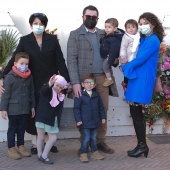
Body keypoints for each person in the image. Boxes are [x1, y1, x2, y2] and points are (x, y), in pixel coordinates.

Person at [0, 12, 70, 154]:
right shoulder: (25, 40)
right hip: (33, 82)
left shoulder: (52, 40)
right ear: (31, 25)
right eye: (36, 23)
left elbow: (60, 60)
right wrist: (2, 75)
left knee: (50, 111)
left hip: (51, 83)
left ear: (45, 25)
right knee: (35, 113)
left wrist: (67, 81)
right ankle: (34, 143)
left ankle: (47, 141)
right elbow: (15, 58)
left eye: (41, 24)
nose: (38, 26)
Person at [67, 5, 114, 154]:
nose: (91, 19)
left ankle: (100, 141)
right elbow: (71, 60)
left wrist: (116, 60)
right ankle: (85, 142)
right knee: (84, 110)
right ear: (83, 17)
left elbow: (113, 52)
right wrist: (75, 83)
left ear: (97, 19)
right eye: (88, 17)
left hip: (102, 78)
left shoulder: (103, 34)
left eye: (94, 17)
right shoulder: (75, 35)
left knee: (103, 109)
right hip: (83, 80)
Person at [121, 12, 165, 158]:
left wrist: (125, 68)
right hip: (137, 78)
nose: (141, 26)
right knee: (135, 112)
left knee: (136, 112)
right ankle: (142, 145)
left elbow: (139, 59)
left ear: (152, 24)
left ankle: (142, 146)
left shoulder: (153, 40)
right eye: (140, 23)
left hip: (142, 79)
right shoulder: (145, 39)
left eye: (144, 23)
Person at [0, 52, 35, 160]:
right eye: (22, 63)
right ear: (15, 64)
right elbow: (5, 95)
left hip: (25, 108)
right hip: (13, 109)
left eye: (26, 64)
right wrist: (3, 109)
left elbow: (32, 92)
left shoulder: (29, 76)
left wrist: (32, 106)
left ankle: (21, 146)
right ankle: (11, 148)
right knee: (12, 129)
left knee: (21, 129)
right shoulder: (10, 77)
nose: (24, 66)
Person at [35, 74, 67, 164]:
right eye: (56, 85)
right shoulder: (48, 90)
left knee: (48, 137)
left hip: (48, 119)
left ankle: (42, 155)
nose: (57, 88)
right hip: (43, 118)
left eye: (60, 87)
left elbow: (59, 111)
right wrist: (50, 83)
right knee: (44, 137)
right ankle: (41, 155)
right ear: (53, 83)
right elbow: (43, 91)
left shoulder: (60, 96)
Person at [74, 74, 106, 162]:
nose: (89, 84)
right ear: (83, 84)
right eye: (87, 82)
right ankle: (83, 153)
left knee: (94, 137)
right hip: (85, 122)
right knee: (86, 138)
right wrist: (78, 120)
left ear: (94, 85)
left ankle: (94, 152)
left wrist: (103, 117)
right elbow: (76, 109)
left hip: (95, 121)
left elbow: (101, 107)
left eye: (91, 83)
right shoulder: (80, 95)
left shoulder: (96, 95)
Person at [100, 18, 124, 87]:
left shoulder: (114, 39)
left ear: (115, 29)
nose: (107, 29)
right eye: (106, 27)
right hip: (108, 56)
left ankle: (109, 79)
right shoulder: (108, 36)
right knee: (105, 67)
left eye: (109, 27)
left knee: (105, 66)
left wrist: (111, 60)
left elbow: (114, 50)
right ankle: (109, 77)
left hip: (111, 56)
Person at [119, 19, 140, 91]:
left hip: (136, 58)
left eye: (133, 27)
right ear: (126, 29)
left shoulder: (139, 36)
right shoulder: (126, 37)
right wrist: (123, 57)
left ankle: (132, 87)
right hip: (128, 58)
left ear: (137, 28)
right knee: (127, 72)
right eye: (128, 27)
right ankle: (125, 84)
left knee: (134, 74)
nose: (131, 29)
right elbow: (123, 48)